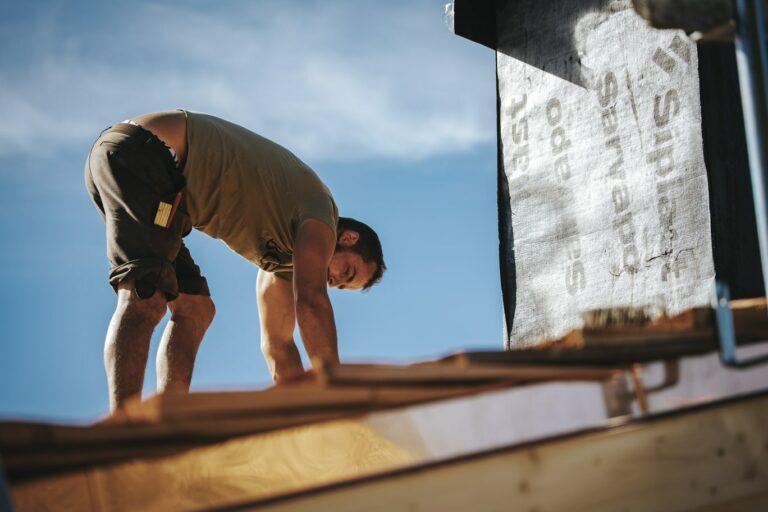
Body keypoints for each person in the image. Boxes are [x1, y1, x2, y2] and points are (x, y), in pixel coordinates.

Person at [85, 110, 386, 413]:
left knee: (196, 309)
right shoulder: (322, 216)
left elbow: (278, 346)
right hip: (143, 152)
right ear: (347, 238)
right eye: (347, 271)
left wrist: (304, 415)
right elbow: (311, 299)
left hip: (159, 189)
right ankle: (123, 422)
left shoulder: (283, 263)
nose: (334, 281)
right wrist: (337, 392)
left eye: (343, 286)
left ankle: (170, 420)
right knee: (144, 296)